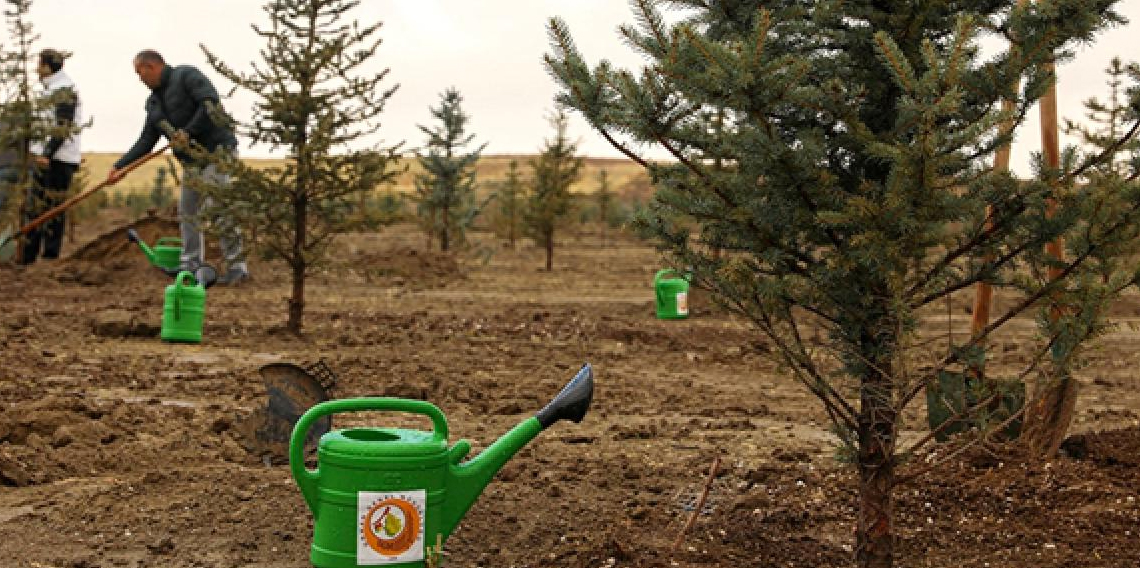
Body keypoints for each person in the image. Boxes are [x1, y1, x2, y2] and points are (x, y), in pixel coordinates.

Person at [106, 49, 249, 284]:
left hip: (217, 152)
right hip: (192, 161)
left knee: (218, 208)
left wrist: (188, 132)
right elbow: (146, 141)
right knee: (187, 211)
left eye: (140, 74)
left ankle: (237, 268)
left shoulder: (186, 76)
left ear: (151, 67)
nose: (140, 80)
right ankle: (190, 265)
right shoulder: (153, 104)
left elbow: (210, 104)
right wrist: (120, 166)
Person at [22, 49, 81, 265]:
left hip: (59, 159)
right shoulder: (48, 90)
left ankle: (49, 257)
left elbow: (62, 126)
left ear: (47, 66)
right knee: (35, 206)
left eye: (39, 64)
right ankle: (28, 256)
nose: (37, 69)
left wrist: (47, 154)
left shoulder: (64, 89)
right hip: (43, 157)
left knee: (53, 209)